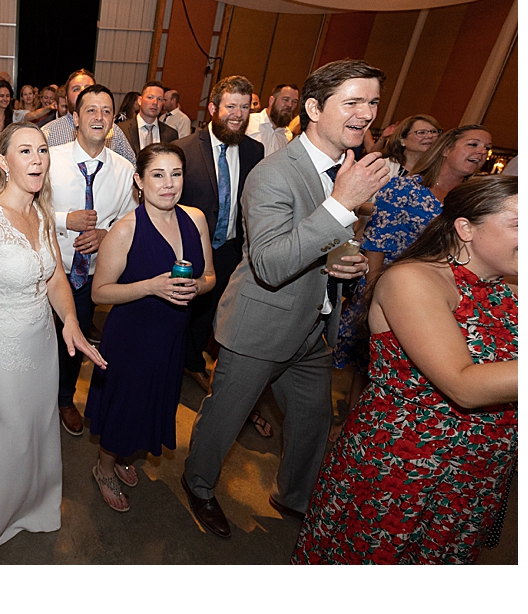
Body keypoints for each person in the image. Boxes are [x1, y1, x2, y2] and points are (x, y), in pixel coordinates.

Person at [180, 59, 391, 538]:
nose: (365, 114)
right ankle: (198, 485)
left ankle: (295, 496)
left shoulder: (347, 168)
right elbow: (272, 263)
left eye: (373, 102)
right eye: (353, 102)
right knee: (225, 418)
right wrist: (342, 204)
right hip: (260, 323)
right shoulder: (273, 173)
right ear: (314, 108)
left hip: (312, 329)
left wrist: (344, 261)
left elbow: (321, 242)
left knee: (314, 421)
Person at [294, 176, 517, 564]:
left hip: (476, 469)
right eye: (519, 223)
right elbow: (463, 385)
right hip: (404, 464)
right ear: (465, 228)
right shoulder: (412, 280)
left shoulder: (509, 283)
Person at [0, 122, 106, 555]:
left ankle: (35, 503)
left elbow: (54, 277)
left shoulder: (41, 211)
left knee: (37, 427)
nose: (37, 159)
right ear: (3, 162)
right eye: (25, 151)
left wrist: (70, 321)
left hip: (41, 344)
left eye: (43, 151)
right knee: (9, 435)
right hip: (1, 348)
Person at [85, 143, 215, 511]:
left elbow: (209, 275)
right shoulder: (126, 229)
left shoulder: (196, 219)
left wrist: (198, 286)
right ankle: (104, 466)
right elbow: (99, 293)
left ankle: (127, 455)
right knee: (125, 407)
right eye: (158, 175)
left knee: (153, 403)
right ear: (139, 181)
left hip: (172, 335)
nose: (169, 184)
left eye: (176, 174)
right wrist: (151, 286)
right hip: (132, 338)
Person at [332, 125, 493, 416]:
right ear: (446, 148)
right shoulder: (406, 189)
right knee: (374, 365)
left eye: (485, 147)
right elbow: (377, 243)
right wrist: (371, 295)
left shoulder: (476, 200)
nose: (481, 152)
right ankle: (353, 421)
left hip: (446, 297)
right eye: (472, 144)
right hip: (394, 291)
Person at [175, 75, 271, 438]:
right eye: (231, 106)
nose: (238, 114)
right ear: (214, 108)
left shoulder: (253, 151)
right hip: (189, 248)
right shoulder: (184, 147)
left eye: (245, 108)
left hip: (231, 247)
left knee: (214, 310)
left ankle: (193, 361)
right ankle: (176, 363)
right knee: (182, 308)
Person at [48, 84, 138, 435]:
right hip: (47, 273)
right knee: (37, 342)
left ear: (113, 121)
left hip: (88, 279)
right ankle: (34, 402)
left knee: (76, 343)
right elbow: (23, 209)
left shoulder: (123, 169)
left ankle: (65, 399)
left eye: (105, 111)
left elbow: (129, 220)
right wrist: (63, 220)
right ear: (75, 117)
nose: (98, 117)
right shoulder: (50, 160)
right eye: (90, 110)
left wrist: (106, 235)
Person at [44, 69, 136, 165]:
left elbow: (132, 166)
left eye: (88, 88)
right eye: (76, 89)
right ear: (66, 99)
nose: (83, 92)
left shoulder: (114, 132)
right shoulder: (49, 133)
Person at [117, 80, 179, 158]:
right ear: (140, 100)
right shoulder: (121, 130)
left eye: (159, 99)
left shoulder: (171, 134)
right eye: (150, 97)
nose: (155, 102)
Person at [246, 83, 300, 157]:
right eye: (286, 99)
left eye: (294, 101)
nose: (290, 105)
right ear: (272, 100)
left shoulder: (287, 136)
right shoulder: (249, 122)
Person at [380, 114, 442, 178]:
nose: (430, 136)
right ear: (402, 141)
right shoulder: (383, 168)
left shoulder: (440, 171)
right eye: (421, 132)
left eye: (434, 132)